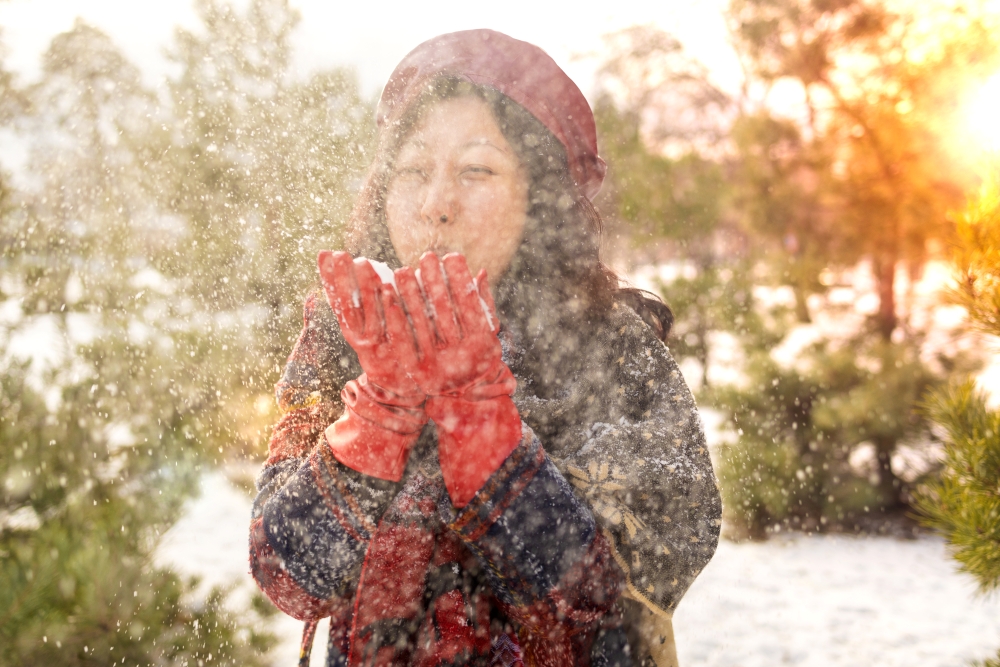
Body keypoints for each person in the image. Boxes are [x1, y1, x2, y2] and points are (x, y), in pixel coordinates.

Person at [249, 29, 721, 667]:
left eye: (476, 170)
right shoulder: (350, 337)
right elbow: (290, 574)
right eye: (414, 170)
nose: (436, 204)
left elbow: (620, 604)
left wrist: (482, 428)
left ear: (540, 200)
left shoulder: (611, 349)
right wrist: (379, 415)